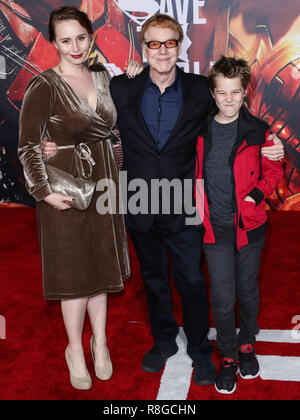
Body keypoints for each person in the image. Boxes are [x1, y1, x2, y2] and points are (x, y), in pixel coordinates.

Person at [42, 13, 284, 386]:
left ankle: (201, 349)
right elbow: (88, 117)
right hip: (139, 198)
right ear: (144, 47)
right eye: (153, 43)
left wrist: (271, 142)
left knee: (191, 278)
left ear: (180, 45)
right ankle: (164, 338)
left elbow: (235, 111)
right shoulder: (123, 87)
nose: (162, 51)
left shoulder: (202, 89)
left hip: (183, 199)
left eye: (169, 43)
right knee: (153, 278)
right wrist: (54, 145)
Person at [18, 6, 139, 390]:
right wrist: (46, 193)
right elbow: (27, 148)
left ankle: (99, 343)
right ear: (54, 43)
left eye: (81, 38)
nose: (74, 46)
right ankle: (75, 348)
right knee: (74, 275)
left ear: (92, 37)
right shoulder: (44, 86)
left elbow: (114, 119)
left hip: (103, 180)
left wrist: (136, 70)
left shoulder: (102, 77)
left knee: (101, 268)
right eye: (65, 40)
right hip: (64, 188)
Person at [195, 56, 283, 394]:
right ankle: (228, 356)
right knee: (221, 296)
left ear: (245, 92)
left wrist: (255, 196)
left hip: (250, 229)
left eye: (236, 92)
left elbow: (272, 170)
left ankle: (247, 346)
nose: (229, 99)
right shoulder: (200, 130)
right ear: (213, 94)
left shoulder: (259, 131)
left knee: (247, 292)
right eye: (222, 93)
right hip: (214, 230)